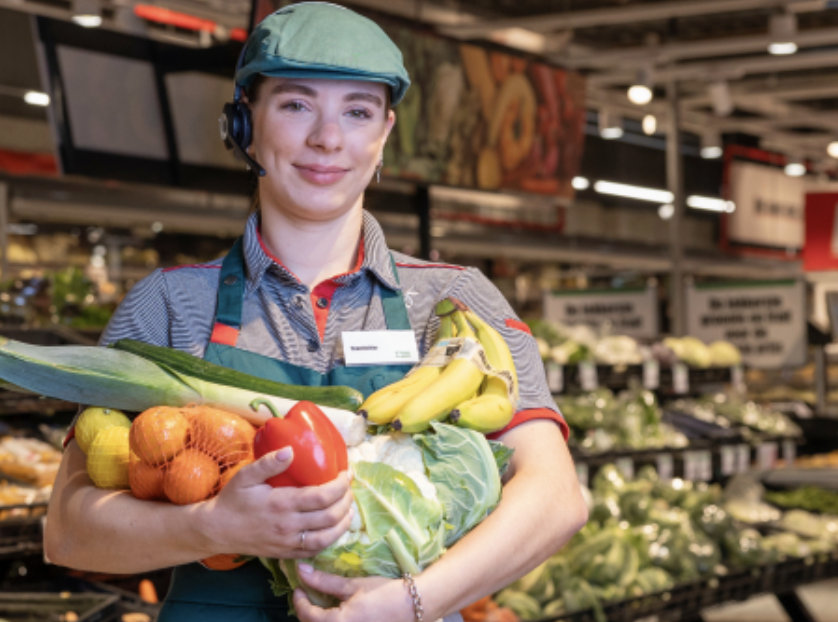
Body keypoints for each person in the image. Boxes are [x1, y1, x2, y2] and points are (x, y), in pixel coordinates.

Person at [44, 4, 587, 622]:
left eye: (357, 112)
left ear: (384, 132)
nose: (328, 139)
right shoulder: (168, 305)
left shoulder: (455, 302)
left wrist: (407, 604)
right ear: (244, 123)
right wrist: (214, 526)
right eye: (296, 105)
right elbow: (68, 529)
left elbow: (555, 497)